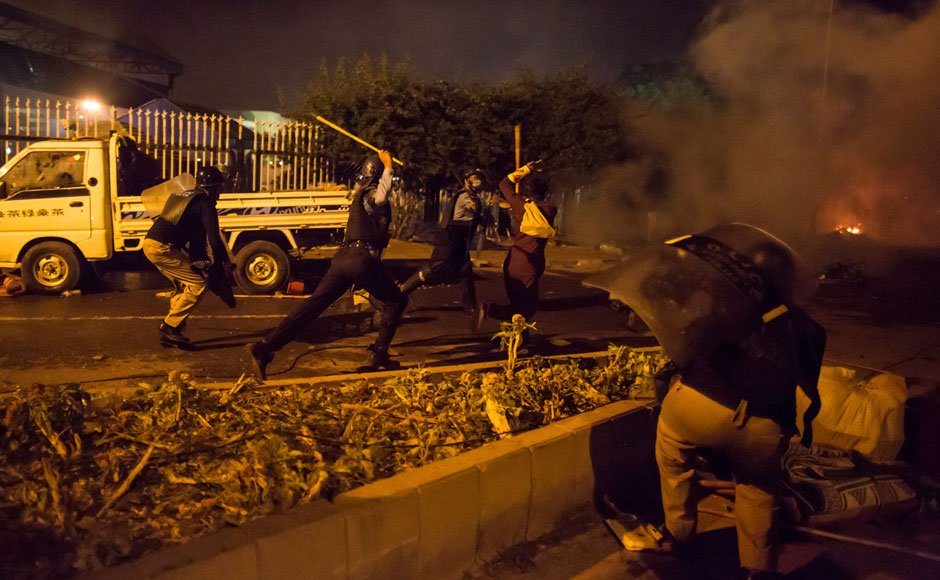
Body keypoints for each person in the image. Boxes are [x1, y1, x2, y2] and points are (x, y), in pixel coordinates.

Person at [650, 232, 826, 579]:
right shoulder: (807, 330)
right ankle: (757, 568)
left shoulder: (718, 305)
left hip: (698, 407)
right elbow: (802, 384)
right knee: (757, 488)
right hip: (762, 426)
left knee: (672, 455)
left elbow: (685, 352)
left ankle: (678, 534)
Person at [245, 150, 407, 379]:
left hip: (344, 260)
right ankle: (379, 355)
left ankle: (265, 347)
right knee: (397, 300)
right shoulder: (371, 195)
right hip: (361, 259)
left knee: (312, 307)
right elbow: (381, 197)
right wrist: (389, 166)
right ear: (378, 176)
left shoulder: (358, 196)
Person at [142, 166, 233, 348]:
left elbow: (194, 237)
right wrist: (222, 265)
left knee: (184, 285)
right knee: (198, 284)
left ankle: (174, 330)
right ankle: (170, 327)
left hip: (151, 244)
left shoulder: (185, 196)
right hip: (163, 247)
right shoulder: (205, 204)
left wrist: (199, 262)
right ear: (212, 187)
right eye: (219, 188)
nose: (220, 193)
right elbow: (214, 240)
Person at [398, 168, 486, 323]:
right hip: (450, 237)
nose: (477, 180)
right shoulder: (465, 196)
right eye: (474, 177)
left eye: (479, 178)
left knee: (466, 270)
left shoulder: (473, 196)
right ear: (466, 180)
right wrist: (478, 210)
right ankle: (400, 292)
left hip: (461, 239)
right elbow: (471, 208)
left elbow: (475, 216)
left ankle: (470, 307)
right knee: (435, 267)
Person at [483, 161, 557, 327]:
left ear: (525, 192)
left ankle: (495, 314)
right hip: (532, 263)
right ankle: (493, 312)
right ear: (545, 194)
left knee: (518, 307)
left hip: (514, 260)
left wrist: (525, 169)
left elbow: (504, 183)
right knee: (525, 309)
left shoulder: (521, 207)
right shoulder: (550, 210)